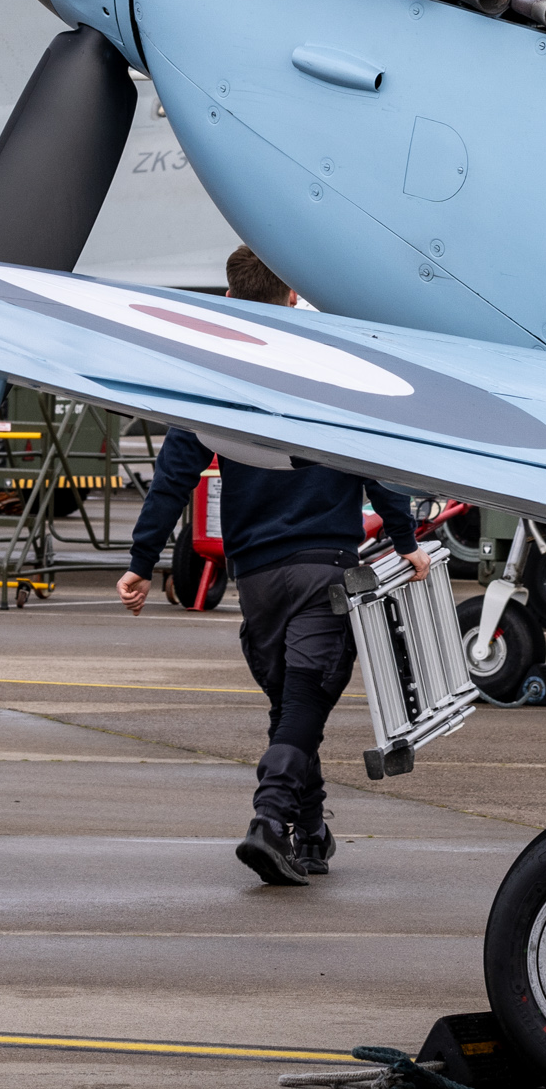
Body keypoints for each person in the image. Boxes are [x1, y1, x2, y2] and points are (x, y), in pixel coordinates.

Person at [125, 249, 417, 887]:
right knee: (304, 704)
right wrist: (405, 537)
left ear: (230, 300)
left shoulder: (216, 378)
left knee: (292, 711)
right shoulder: (329, 367)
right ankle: (267, 819)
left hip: (256, 579)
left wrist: (141, 562)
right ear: (293, 298)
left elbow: (173, 475)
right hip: (324, 570)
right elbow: (376, 460)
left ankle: (309, 835)